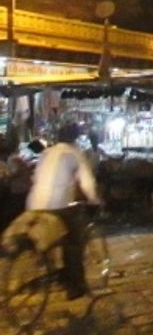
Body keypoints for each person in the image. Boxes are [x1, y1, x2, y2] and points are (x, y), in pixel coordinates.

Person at [25, 122, 100, 299]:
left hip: (34, 204)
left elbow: (35, 177)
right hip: (57, 205)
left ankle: (52, 266)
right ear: (75, 138)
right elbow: (87, 183)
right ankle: (75, 285)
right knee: (74, 240)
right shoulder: (75, 153)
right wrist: (95, 200)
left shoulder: (46, 152)